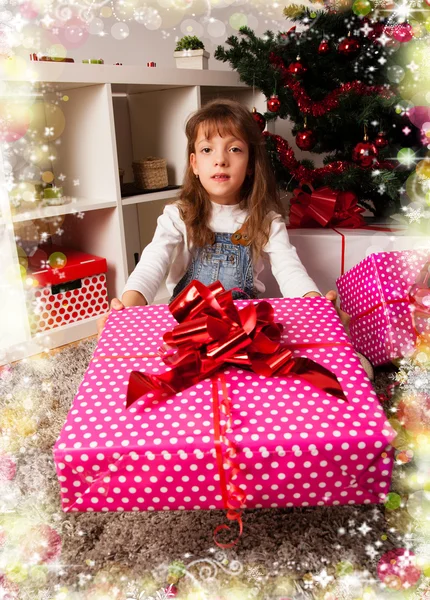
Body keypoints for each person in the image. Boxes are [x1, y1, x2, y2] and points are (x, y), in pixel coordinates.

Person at [97, 99, 349, 336]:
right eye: (207, 150)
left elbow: (289, 270)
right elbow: (152, 264)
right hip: (187, 326)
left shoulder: (267, 221)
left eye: (234, 149)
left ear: (250, 164)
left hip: (243, 328)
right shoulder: (178, 215)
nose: (220, 160)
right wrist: (124, 311)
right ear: (194, 164)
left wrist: (316, 305)